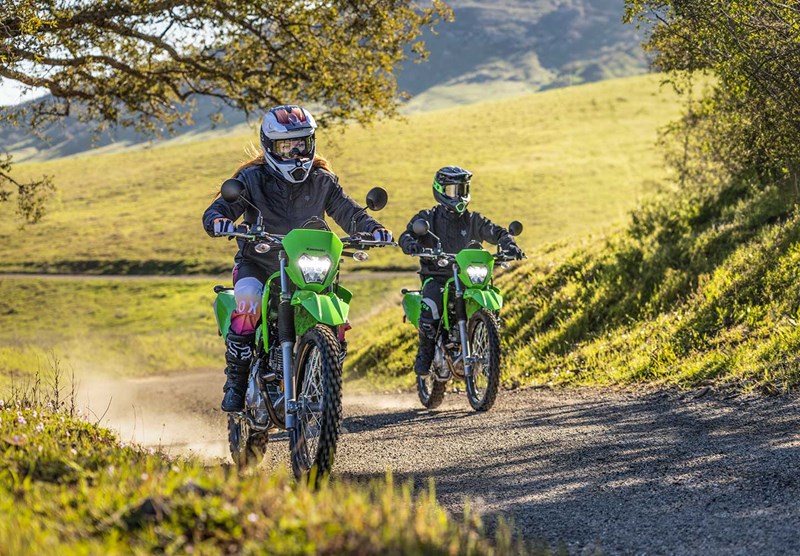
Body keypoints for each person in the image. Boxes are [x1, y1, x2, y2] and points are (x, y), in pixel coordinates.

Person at [203, 105, 392, 412]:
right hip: (261, 264)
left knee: (338, 317)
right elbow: (221, 208)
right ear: (269, 145)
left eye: (301, 144)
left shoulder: (323, 181)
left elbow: (350, 212)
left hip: (309, 268)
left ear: (311, 142)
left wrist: (374, 228)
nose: (294, 153)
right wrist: (219, 221)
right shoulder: (252, 179)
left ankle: (323, 374)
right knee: (248, 305)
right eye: (285, 146)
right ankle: (236, 385)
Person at [398, 166, 524, 376]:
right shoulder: (428, 218)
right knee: (431, 306)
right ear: (440, 191)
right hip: (436, 277)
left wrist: (509, 244)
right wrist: (412, 244)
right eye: (452, 190)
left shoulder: (474, 219)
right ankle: (426, 354)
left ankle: (487, 345)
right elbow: (406, 234)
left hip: (467, 278)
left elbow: (497, 232)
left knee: (492, 298)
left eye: (462, 189)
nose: (458, 195)